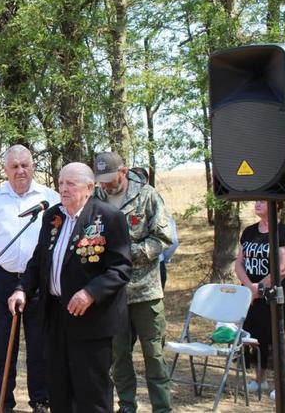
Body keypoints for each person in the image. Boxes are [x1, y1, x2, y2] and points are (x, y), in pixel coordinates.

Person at [8, 162, 131, 413]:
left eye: (70, 184)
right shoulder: (52, 216)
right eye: (61, 183)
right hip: (55, 317)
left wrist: (90, 292)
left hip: (91, 321)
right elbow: (38, 262)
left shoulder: (108, 217)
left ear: (89, 187)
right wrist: (22, 288)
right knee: (59, 390)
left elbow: (120, 268)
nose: (63, 189)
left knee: (91, 393)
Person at [0, 144, 59, 412]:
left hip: (39, 284)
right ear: (5, 170)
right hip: (2, 280)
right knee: (1, 349)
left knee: (40, 347)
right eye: (14, 166)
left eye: (25, 165)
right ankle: (3, 404)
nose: (20, 171)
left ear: (33, 166)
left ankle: (41, 401)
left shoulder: (51, 198)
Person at [94, 152, 172, 413]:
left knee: (154, 356)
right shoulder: (97, 198)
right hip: (113, 293)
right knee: (119, 357)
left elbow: (163, 238)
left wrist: (127, 253)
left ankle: (162, 408)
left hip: (146, 291)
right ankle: (127, 406)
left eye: (109, 178)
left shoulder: (147, 195)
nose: (105, 184)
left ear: (123, 171)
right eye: (100, 179)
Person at [234, 200, 285, 394]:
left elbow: (283, 269)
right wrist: (249, 288)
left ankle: (279, 385)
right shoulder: (249, 231)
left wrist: (257, 288)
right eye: (256, 200)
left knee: (274, 336)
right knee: (255, 336)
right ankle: (260, 380)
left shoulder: (283, 233)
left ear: (276, 205)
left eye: (262, 201)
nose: (257, 204)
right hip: (249, 294)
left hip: (273, 295)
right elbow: (239, 264)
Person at [128, 166, 179, 289]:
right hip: (153, 266)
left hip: (151, 271)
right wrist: (163, 258)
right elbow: (173, 242)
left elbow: (171, 240)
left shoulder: (153, 201)